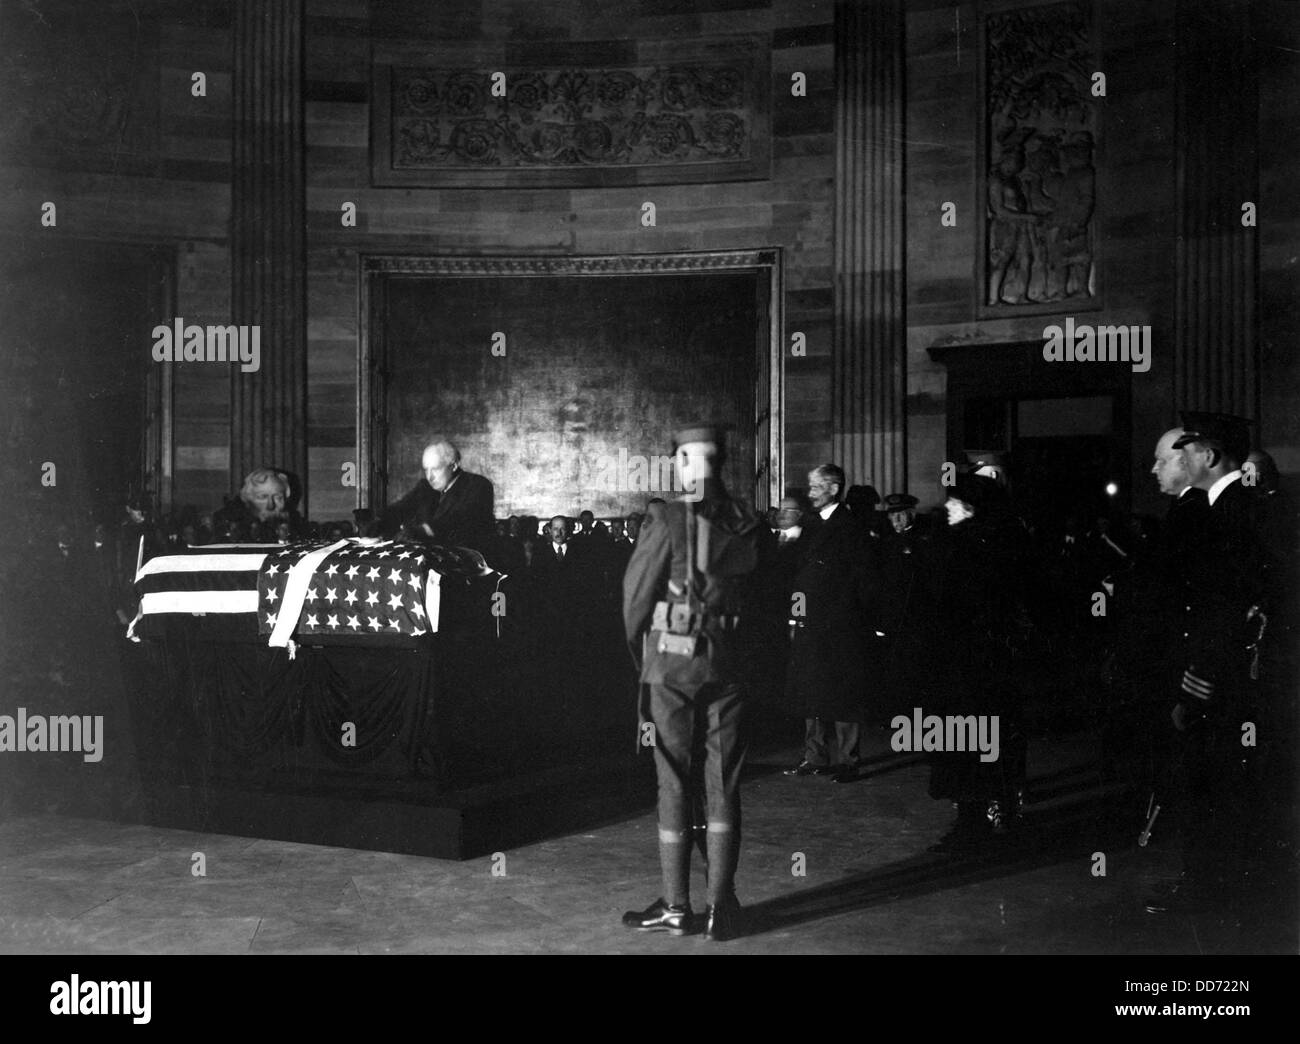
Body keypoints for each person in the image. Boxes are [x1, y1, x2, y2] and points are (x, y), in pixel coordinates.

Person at [621, 424, 773, 941]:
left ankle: (676, 905)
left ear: (684, 461)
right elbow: (764, 604)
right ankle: (721, 907)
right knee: (724, 782)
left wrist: (643, 660)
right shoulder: (750, 521)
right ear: (722, 462)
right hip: (729, 666)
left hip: (673, 667)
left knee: (673, 781)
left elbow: (635, 602)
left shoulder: (666, 517)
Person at [1144, 412, 1274, 913]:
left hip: (1221, 678)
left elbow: (1228, 609)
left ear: (1208, 455)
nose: (1182, 456)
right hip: (1217, 670)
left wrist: (1197, 680)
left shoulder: (1233, 512)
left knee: (1214, 784)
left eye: (1189, 448)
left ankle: (1208, 890)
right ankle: (1208, 883)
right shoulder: (1225, 508)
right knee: (1212, 783)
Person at [927, 469, 1029, 849]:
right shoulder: (966, 543)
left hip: (976, 665)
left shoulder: (980, 547)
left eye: (955, 502)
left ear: (972, 507)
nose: (947, 507)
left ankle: (981, 817)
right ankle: (981, 813)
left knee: (975, 742)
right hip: (967, 664)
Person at [783, 465, 880, 783]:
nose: (810, 493)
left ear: (834, 489)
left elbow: (863, 579)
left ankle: (847, 760)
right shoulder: (810, 525)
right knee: (809, 688)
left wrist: (852, 619)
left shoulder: (851, 527)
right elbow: (800, 577)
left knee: (843, 692)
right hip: (810, 623)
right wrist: (795, 617)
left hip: (840, 625)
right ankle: (814, 755)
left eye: (815, 487)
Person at [378, 439, 495, 554]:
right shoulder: (425, 487)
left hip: (466, 562)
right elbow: (398, 510)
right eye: (426, 470)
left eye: (435, 469)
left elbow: (459, 521)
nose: (430, 477)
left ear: (453, 466)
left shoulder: (478, 485)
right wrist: (376, 524)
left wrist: (423, 530)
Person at [213, 467, 300, 536]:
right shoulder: (225, 524)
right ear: (247, 498)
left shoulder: (297, 526)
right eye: (262, 497)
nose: (270, 505)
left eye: (277, 497)